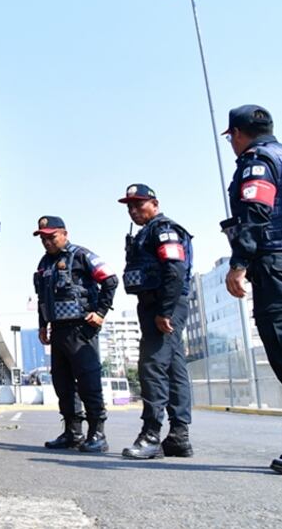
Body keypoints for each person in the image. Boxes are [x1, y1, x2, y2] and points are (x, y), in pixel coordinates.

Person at [219, 105, 282, 474]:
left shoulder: (256, 161)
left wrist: (238, 264)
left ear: (237, 135)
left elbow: (256, 213)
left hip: (274, 265)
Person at [117, 184, 194, 459]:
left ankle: (151, 434)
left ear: (155, 204)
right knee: (173, 367)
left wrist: (165, 310)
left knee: (151, 365)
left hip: (165, 304)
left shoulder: (163, 229)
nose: (134, 210)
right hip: (155, 304)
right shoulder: (145, 233)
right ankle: (178, 436)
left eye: (140, 204)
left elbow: (175, 269)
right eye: (130, 207)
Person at [32, 216, 117, 453]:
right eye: (43, 238)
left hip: (81, 329)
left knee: (89, 382)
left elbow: (110, 280)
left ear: (64, 233)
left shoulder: (81, 255)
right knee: (62, 384)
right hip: (58, 331)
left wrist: (100, 312)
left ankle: (97, 434)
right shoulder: (44, 263)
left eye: (51, 236)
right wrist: (42, 326)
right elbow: (43, 299)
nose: (47, 242)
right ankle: (72, 432)